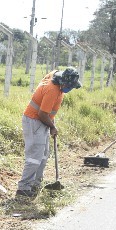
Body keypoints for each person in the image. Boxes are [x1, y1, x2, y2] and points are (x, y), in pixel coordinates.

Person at [16, 67, 81, 198]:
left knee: (44, 155)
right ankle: (23, 188)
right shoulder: (52, 89)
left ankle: (35, 184)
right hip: (35, 121)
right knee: (34, 157)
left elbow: (47, 113)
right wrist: (52, 127)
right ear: (63, 83)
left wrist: (51, 123)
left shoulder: (55, 76)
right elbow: (42, 114)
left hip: (42, 122)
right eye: (70, 86)